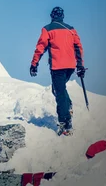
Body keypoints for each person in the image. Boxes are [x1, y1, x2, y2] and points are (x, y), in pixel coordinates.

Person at [30, 7, 85, 136]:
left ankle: (65, 122)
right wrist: (80, 65)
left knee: (59, 92)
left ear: (51, 16)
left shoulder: (47, 29)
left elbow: (40, 47)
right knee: (59, 89)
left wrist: (34, 64)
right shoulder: (71, 29)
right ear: (63, 16)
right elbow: (78, 47)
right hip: (70, 66)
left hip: (57, 66)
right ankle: (68, 106)